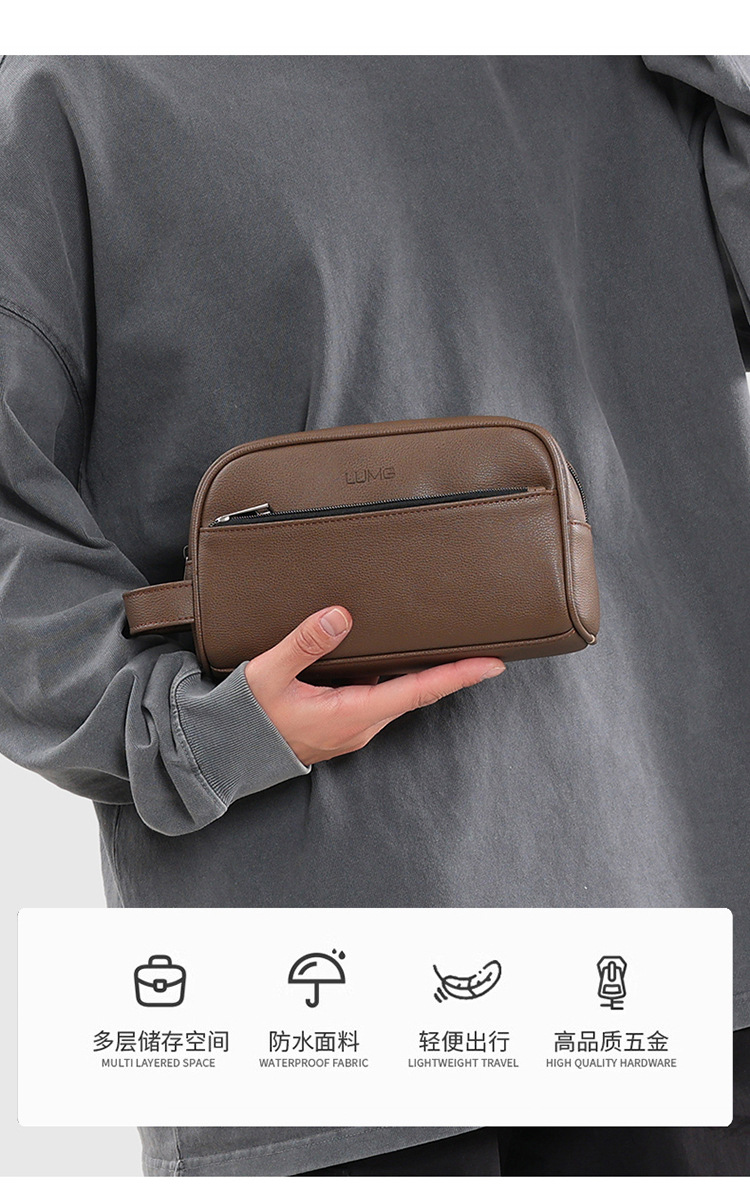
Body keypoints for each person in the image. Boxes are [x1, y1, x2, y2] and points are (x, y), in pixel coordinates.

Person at [0, 54, 749, 1177]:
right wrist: (193, 729)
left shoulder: (646, 59)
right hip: (345, 992)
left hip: (694, 929)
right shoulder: (69, 91)